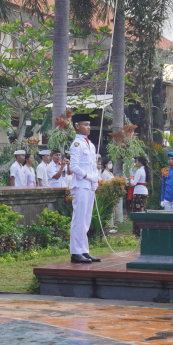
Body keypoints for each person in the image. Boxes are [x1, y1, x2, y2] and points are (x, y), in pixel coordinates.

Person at [68, 113, 100, 263]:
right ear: (77, 126)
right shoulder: (77, 144)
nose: (88, 127)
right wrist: (89, 176)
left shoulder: (90, 144)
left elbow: (93, 165)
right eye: (85, 125)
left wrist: (95, 179)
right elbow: (74, 167)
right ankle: (76, 252)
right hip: (80, 185)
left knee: (86, 220)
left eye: (89, 125)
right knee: (79, 220)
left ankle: (84, 250)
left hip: (89, 185)